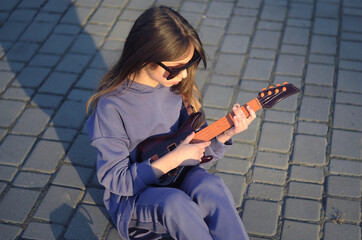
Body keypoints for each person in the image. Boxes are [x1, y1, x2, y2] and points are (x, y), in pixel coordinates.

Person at [86, 5, 255, 240]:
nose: (185, 75)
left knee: (211, 187)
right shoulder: (111, 107)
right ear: (145, 58)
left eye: (190, 63)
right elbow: (116, 179)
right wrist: (174, 158)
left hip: (179, 177)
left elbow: (193, 148)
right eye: (176, 68)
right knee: (176, 203)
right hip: (136, 200)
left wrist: (223, 136)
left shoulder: (177, 89)